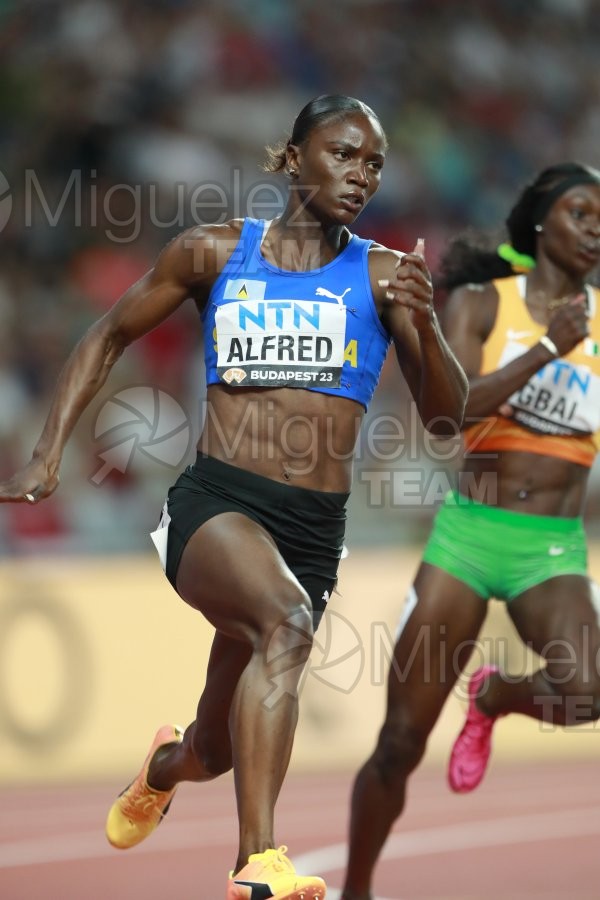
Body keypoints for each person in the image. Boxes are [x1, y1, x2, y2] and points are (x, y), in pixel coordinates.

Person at [0, 94, 466, 900]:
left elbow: (448, 418)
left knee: (214, 751)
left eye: (373, 165)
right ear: (292, 159)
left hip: (314, 530)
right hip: (216, 504)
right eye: (342, 154)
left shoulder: (388, 276)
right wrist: (49, 452)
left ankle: (165, 765)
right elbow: (109, 332)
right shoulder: (213, 253)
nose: (359, 176)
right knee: (285, 625)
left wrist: (423, 327)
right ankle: (260, 864)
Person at [340, 161, 600, 900]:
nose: (594, 230)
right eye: (581, 213)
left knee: (589, 691)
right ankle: (356, 889)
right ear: (541, 221)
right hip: (468, 536)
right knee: (397, 746)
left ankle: (496, 699)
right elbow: (448, 417)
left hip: (551, 548)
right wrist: (549, 347)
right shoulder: (485, 304)